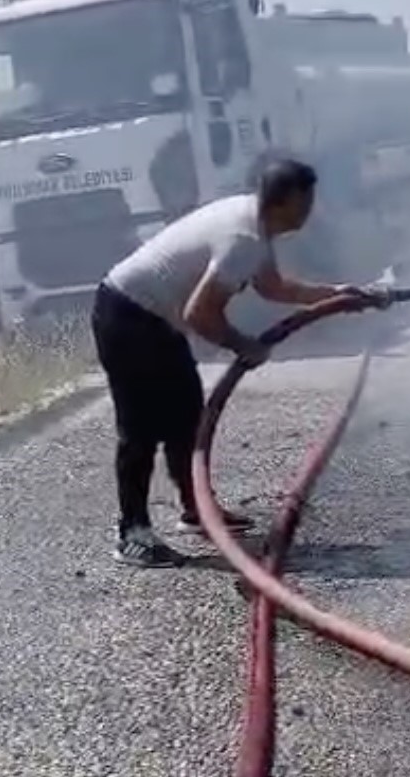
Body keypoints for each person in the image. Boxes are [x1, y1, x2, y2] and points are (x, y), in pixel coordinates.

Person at [92, 160, 380, 568]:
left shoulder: (253, 223)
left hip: (153, 319)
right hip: (127, 315)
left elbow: (274, 288)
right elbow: (199, 314)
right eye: (306, 201)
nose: (310, 210)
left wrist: (336, 295)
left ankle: (196, 509)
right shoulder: (242, 238)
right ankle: (132, 534)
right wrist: (243, 344)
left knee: (187, 415)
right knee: (140, 428)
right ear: (287, 201)